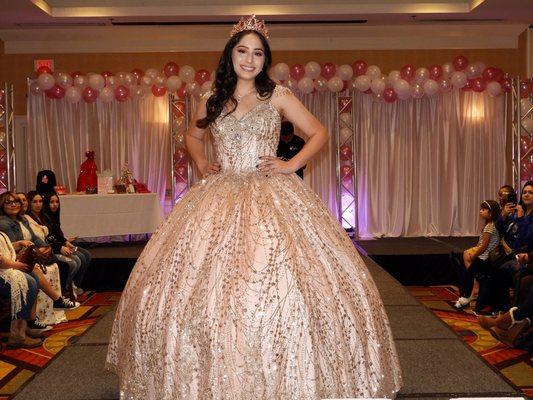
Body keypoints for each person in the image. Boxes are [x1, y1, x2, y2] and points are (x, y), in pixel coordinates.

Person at [106, 15, 402, 399]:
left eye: (258, 53)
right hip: (218, 192)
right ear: (230, 54)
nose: (249, 59)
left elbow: (319, 132)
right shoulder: (211, 98)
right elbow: (192, 135)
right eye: (242, 51)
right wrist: (199, 161)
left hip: (270, 191)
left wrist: (290, 165)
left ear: (266, 59)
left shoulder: (276, 95)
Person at [42, 193, 91, 300]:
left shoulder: (53, 215)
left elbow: (57, 234)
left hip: (59, 245)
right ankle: (65, 288)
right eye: (51, 202)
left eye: (57, 202)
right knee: (76, 260)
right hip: (52, 248)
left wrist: (65, 242)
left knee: (86, 255)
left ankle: (75, 284)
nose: (55, 205)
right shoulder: (43, 217)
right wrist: (61, 247)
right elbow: (48, 237)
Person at [454, 200, 500, 309]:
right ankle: (471, 291)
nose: (480, 211)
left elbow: (484, 246)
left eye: (483, 210)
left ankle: (469, 294)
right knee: (468, 269)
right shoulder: (490, 225)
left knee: (468, 274)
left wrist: (474, 256)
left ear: (491, 212)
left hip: (485, 257)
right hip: (486, 255)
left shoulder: (490, 226)